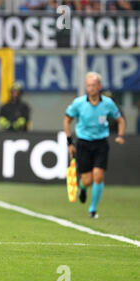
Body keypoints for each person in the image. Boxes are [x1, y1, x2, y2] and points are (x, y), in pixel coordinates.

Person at [64, 72, 125, 219]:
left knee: (98, 176)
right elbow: (67, 121)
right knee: (87, 180)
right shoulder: (79, 103)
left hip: (100, 144)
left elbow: (120, 120)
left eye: (93, 85)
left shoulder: (108, 103)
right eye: (88, 85)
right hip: (84, 143)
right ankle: (83, 188)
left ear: (99, 86)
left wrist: (120, 136)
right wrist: (70, 143)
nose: (90, 88)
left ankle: (92, 209)